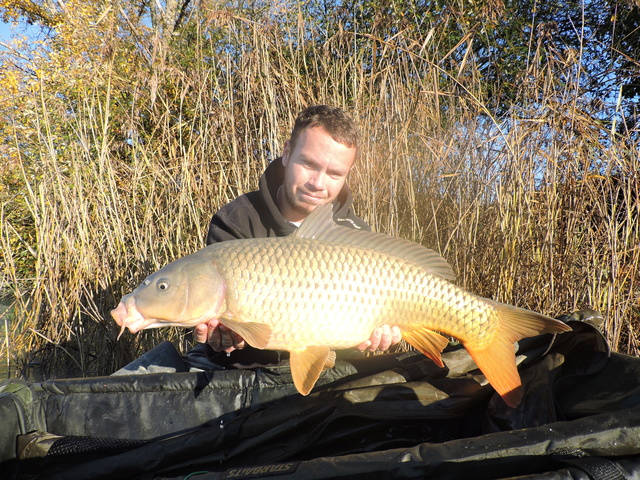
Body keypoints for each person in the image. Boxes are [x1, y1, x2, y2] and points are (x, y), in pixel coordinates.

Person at [192, 105, 401, 366]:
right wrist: (224, 340)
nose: (318, 183)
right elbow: (216, 331)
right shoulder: (236, 222)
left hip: (327, 376)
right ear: (287, 152)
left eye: (335, 173)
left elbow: (359, 338)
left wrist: (377, 337)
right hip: (245, 373)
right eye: (309, 164)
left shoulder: (356, 235)